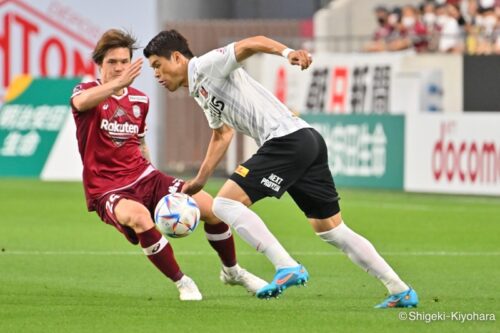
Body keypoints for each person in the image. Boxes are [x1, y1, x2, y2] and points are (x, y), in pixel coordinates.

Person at [143, 30, 419, 308]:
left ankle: (287, 266)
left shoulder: (204, 65)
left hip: (286, 140)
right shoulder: (200, 90)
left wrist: (289, 53)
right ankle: (400, 290)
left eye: (157, 65)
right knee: (332, 230)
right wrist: (200, 180)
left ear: (177, 57)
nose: (156, 74)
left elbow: (252, 43)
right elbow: (222, 133)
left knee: (224, 203)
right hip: (306, 140)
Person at [69, 29, 267, 301]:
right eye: (112, 62)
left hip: (145, 177)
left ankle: (232, 271)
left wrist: (154, 180)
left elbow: (139, 143)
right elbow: (80, 103)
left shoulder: (140, 100)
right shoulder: (86, 91)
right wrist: (115, 86)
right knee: (139, 218)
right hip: (107, 188)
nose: (119, 67)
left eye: (124, 61)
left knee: (213, 208)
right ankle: (183, 282)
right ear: (99, 64)